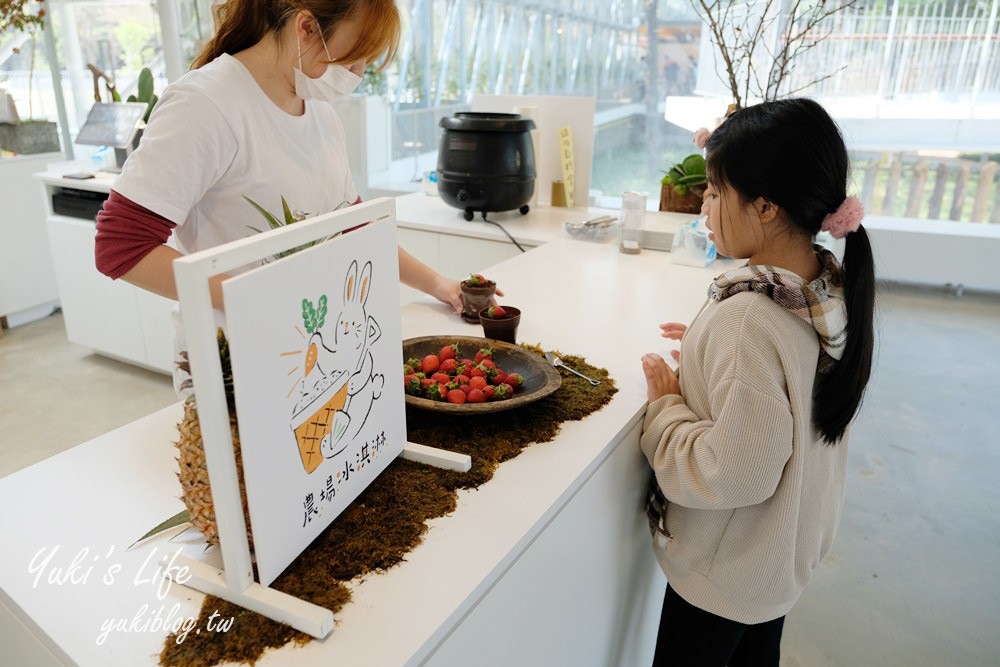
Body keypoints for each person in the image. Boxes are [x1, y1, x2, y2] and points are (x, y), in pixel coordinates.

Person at [94, 0, 466, 394]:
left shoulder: (320, 113)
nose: (357, 75)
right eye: (355, 58)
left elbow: (353, 225)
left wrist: (440, 285)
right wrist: (259, 302)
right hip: (236, 363)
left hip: (316, 354)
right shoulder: (206, 105)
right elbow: (120, 246)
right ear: (306, 27)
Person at [639, 98, 875, 666]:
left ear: (766, 206)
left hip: (726, 572)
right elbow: (778, 390)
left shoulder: (747, 320)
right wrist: (706, 353)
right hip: (776, 559)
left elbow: (735, 471)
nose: (705, 205)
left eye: (717, 192)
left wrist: (668, 411)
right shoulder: (824, 287)